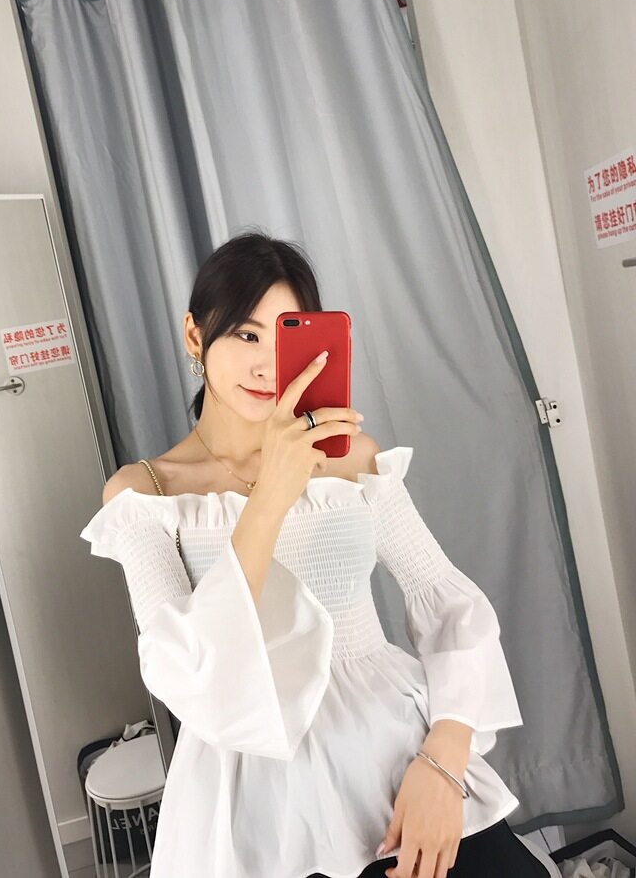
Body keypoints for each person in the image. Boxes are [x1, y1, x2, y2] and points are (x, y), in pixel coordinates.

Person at [80, 231, 548, 878]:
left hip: (398, 757)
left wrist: (444, 759)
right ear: (195, 335)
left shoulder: (352, 460)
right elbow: (185, 669)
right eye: (245, 334)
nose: (267, 365)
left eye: (287, 337)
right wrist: (270, 493)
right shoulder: (146, 493)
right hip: (260, 795)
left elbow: (448, 601)